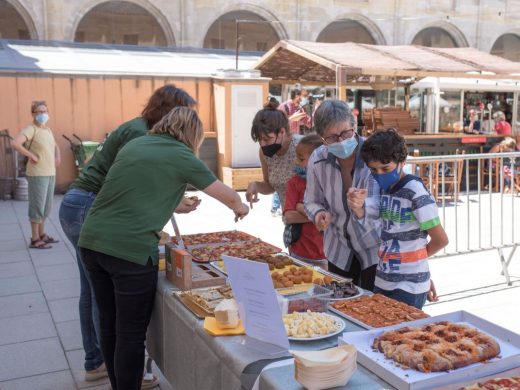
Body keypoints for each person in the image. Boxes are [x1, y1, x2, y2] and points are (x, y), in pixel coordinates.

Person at [78, 107, 249, 390]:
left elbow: (137, 191)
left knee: (110, 324)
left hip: (93, 241)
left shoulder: (137, 143)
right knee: (130, 333)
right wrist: (240, 206)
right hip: (129, 250)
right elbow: (227, 194)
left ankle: (117, 384)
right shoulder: (180, 154)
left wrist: (175, 203)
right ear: (192, 135)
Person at [59, 84, 197, 385]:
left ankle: (98, 362)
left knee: (93, 290)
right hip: (89, 205)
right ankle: (118, 369)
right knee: (108, 303)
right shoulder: (142, 135)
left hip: (79, 204)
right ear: (169, 113)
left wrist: (174, 201)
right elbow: (137, 183)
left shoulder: (140, 128)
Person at [353, 128, 449, 309]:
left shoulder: (415, 192)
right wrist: (358, 207)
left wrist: (416, 263)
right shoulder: (384, 189)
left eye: (385, 168)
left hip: (409, 286)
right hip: (383, 279)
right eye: (374, 170)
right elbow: (378, 226)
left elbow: (440, 239)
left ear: (401, 162)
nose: (379, 174)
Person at [304, 100, 380, 291]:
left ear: (354, 126)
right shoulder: (317, 159)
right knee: (341, 304)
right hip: (338, 248)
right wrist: (319, 214)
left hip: (374, 247)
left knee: (374, 308)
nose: (341, 142)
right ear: (322, 139)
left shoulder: (376, 154)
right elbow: (311, 201)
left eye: (346, 133)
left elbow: (388, 202)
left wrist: (364, 207)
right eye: (332, 138)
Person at [12, 101, 61, 249]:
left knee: (46, 207)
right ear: (33, 114)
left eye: (45, 111)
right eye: (39, 112)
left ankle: (42, 234)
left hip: (50, 172)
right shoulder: (31, 129)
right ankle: (34, 239)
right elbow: (15, 143)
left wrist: (58, 156)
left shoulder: (48, 130)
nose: (43, 114)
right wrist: (31, 155)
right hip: (37, 174)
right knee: (37, 206)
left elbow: (55, 145)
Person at [246, 102, 301, 218]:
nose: (262, 144)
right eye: (259, 139)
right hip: (290, 223)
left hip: (315, 223)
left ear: (282, 132)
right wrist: (256, 185)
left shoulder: (301, 147)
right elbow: (270, 186)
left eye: (267, 139)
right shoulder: (264, 153)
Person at [283, 134, 327, 269]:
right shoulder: (294, 183)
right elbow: (289, 216)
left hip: (326, 255)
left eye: (301, 159)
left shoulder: (330, 182)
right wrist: (320, 215)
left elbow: (334, 214)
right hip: (299, 252)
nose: (296, 162)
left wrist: (301, 208)